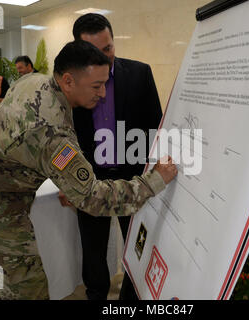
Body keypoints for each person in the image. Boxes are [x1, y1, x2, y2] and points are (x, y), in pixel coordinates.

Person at [0, 40, 177, 300]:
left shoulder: (34, 81)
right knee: (25, 287)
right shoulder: (51, 133)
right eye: (97, 86)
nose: (104, 94)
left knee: (6, 281)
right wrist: (154, 181)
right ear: (68, 81)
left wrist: (67, 181)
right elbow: (94, 198)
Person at [58, 13, 163, 300]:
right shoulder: (69, 85)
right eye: (94, 53)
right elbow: (63, 137)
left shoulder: (139, 74)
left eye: (108, 49)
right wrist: (65, 181)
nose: (104, 59)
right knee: (93, 249)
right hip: (88, 180)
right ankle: (97, 294)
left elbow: (155, 127)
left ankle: (130, 298)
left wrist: (155, 175)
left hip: (133, 179)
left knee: (136, 247)